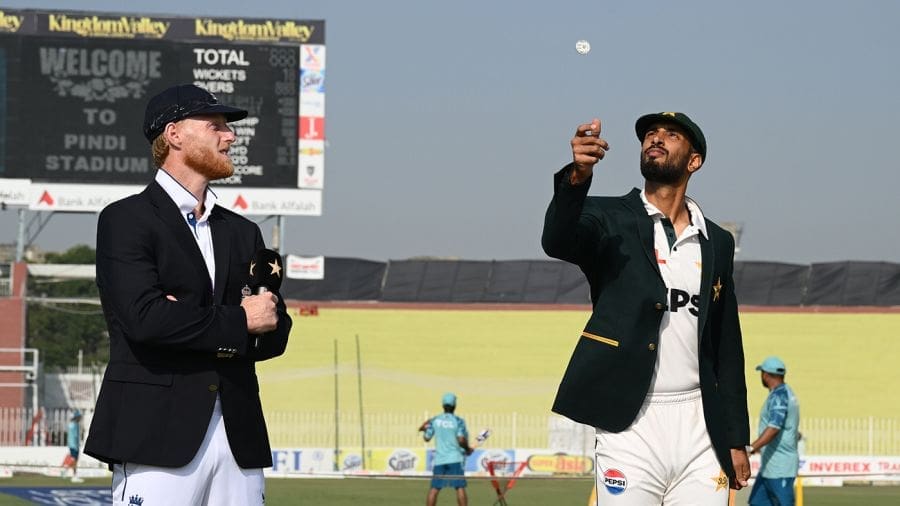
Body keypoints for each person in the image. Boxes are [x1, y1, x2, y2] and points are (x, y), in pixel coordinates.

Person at [84, 84, 292, 506]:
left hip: (239, 437)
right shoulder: (125, 220)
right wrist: (237, 321)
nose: (230, 136)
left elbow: (275, 329)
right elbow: (146, 321)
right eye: (215, 126)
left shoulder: (243, 232)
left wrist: (195, 320)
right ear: (174, 134)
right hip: (155, 436)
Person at [542, 113, 751, 504]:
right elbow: (557, 241)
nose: (656, 139)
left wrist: (737, 437)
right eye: (650, 134)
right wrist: (577, 178)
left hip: (700, 425)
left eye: (671, 135)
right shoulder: (607, 216)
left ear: (694, 161)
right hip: (630, 424)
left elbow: (726, 342)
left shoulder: (717, 241)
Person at [748, 356, 800, 506]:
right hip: (769, 467)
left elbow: (774, 428)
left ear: (765, 374)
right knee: (756, 503)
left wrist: (751, 448)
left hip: (780, 468)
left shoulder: (779, 396)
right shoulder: (784, 393)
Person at [418, 393, 472, 506]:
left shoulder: (434, 420)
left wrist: (423, 430)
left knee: (434, 489)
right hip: (455, 459)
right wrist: (467, 449)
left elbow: (427, 438)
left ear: (443, 405)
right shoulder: (458, 421)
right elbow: (461, 439)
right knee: (459, 487)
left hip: (439, 460)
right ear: (455, 405)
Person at [63, 409, 84, 483]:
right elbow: (74, 436)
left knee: (74, 459)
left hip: (73, 445)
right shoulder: (74, 425)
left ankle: (72, 474)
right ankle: (70, 473)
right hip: (74, 445)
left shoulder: (73, 424)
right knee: (74, 460)